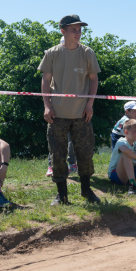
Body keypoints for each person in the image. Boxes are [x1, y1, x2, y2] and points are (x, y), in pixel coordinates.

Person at [39, 14, 101, 205]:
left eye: (80, 29)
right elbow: (46, 80)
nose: (78, 32)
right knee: (57, 156)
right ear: (63, 31)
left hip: (81, 115)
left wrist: (90, 104)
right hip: (57, 115)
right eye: (74, 29)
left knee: (85, 154)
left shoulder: (87, 53)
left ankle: (86, 191)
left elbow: (93, 79)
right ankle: (61, 195)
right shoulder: (52, 53)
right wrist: (47, 106)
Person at [45, 35, 77, 178]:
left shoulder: (79, 59)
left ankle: (72, 164)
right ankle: (51, 166)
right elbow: (46, 82)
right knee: (54, 139)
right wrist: (47, 105)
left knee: (74, 139)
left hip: (75, 108)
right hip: (57, 107)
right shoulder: (54, 58)